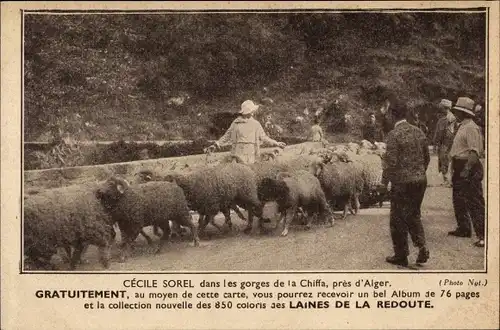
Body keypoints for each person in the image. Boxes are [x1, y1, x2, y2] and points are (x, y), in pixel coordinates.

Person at [381, 100, 430, 267]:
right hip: (420, 181)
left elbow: (391, 163)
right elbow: (426, 158)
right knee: (414, 214)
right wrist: (418, 172)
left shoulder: (393, 135)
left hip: (402, 183)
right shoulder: (419, 132)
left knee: (397, 218)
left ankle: (401, 255)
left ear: (393, 115)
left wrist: (383, 182)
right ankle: (422, 245)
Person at [447, 97, 485, 248]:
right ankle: (464, 228)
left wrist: (466, 170)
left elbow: (474, 152)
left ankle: (482, 234)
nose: (456, 113)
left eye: (458, 111)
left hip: (468, 165)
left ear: (463, 113)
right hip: (459, 164)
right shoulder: (462, 126)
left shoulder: (471, 128)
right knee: (459, 199)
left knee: (474, 201)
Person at [206, 100, 286, 164]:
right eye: (251, 111)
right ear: (250, 112)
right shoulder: (236, 123)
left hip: (250, 153)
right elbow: (227, 136)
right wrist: (216, 144)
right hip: (240, 153)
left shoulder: (254, 124)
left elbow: (263, 137)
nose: (252, 113)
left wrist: (276, 143)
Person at [433, 99, 458, 185]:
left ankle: (447, 180)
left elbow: (439, 133)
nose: (440, 109)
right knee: (449, 160)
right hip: (452, 142)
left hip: (445, 142)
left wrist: (435, 144)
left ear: (444, 108)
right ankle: (448, 180)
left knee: (443, 159)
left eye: (441, 108)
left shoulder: (443, 120)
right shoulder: (454, 118)